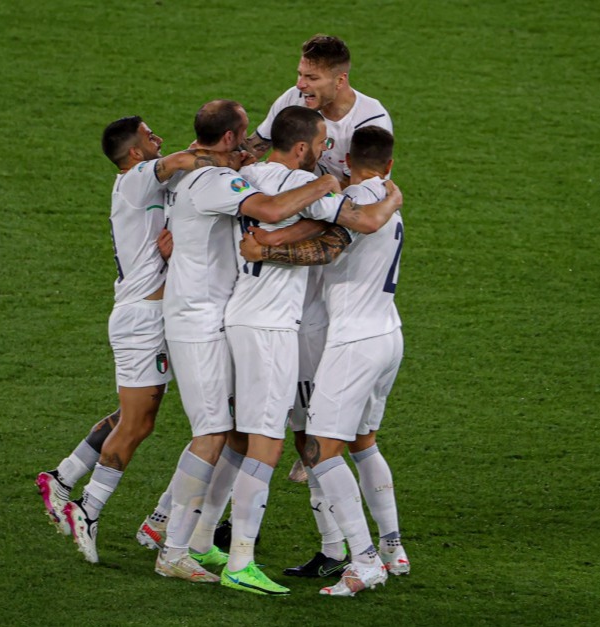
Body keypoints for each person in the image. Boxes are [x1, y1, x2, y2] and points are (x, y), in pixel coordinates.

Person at [152, 99, 344, 584]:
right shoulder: (280, 182)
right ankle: (236, 559)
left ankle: (196, 541)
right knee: (255, 440)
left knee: (235, 435)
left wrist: (277, 237)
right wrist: (338, 185)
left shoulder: (240, 176)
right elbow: (346, 222)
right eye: (321, 144)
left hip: (231, 316)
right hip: (258, 325)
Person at [36, 116, 242, 564]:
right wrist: (227, 150)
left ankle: (63, 477)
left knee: (134, 414)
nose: (158, 140)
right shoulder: (133, 180)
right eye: (150, 137)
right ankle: (87, 511)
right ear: (133, 151)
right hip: (140, 319)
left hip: (154, 315)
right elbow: (188, 156)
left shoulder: (150, 184)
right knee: (137, 424)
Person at [218, 105, 404, 595]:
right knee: (359, 444)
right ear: (389, 163)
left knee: (316, 450)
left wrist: (267, 248)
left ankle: (359, 559)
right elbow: (343, 224)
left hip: (344, 340)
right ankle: (388, 548)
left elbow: (332, 242)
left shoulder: (265, 179)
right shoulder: (377, 193)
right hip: (386, 333)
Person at [244, 34, 392, 188]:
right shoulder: (294, 98)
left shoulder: (370, 120)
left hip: (342, 204)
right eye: (300, 74)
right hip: (301, 197)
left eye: (312, 78)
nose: (300, 85)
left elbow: (361, 190)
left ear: (340, 80)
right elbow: (256, 146)